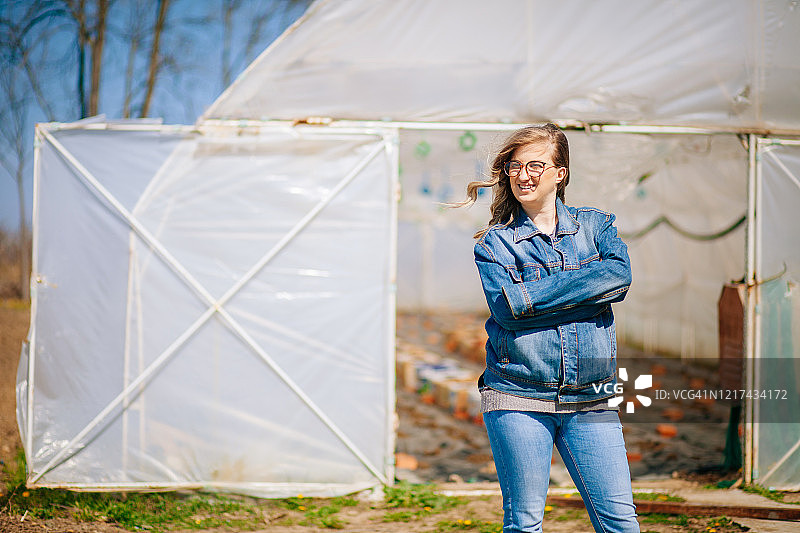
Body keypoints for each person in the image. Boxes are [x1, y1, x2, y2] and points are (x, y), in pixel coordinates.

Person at [461, 123, 640, 532]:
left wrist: (530, 299)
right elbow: (507, 312)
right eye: (515, 166)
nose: (523, 175)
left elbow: (619, 277)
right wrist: (589, 293)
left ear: (561, 173)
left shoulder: (596, 226)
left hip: (591, 398)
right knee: (524, 522)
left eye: (535, 166)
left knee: (620, 522)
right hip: (518, 396)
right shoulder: (494, 244)